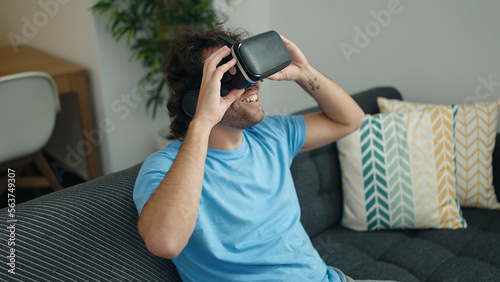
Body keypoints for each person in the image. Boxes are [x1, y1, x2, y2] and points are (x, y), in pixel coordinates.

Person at [133, 27, 365, 282]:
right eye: (229, 77)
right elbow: (166, 242)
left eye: (245, 69)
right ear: (196, 97)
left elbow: (350, 120)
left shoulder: (272, 135)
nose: (253, 83)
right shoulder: (164, 166)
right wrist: (202, 121)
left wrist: (303, 72)